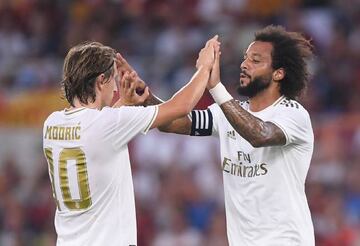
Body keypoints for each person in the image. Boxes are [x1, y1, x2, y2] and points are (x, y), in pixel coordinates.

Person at [119, 25, 315, 245]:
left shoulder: (293, 114)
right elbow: (171, 122)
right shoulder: (227, 113)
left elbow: (260, 134)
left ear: (278, 73)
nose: (244, 64)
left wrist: (215, 87)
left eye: (256, 60)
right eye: (245, 58)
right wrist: (142, 94)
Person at [42, 37, 219, 246]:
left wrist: (124, 104)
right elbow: (181, 107)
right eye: (113, 80)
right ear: (101, 81)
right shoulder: (108, 124)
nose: (116, 90)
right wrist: (204, 68)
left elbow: (96, 135)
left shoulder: (52, 124)